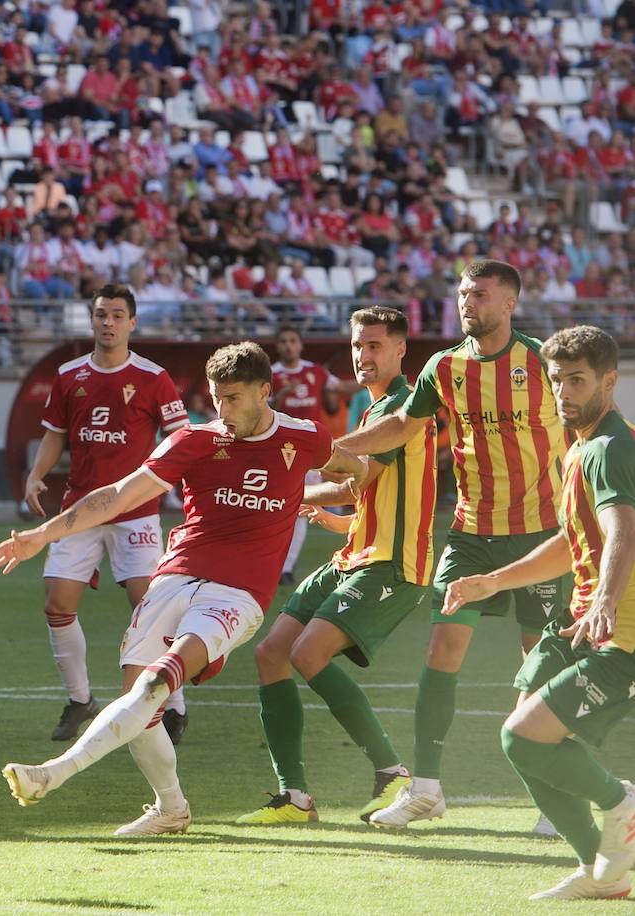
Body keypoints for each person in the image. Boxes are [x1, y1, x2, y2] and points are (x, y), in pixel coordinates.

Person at [0, 342, 332, 835]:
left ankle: (51, 773)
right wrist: (41, 535)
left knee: (156, 684)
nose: (223, 410)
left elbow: (354, 469)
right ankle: (171, 808)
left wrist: (345, 509)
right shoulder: (194, 441)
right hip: (174, 577)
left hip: (236, 595)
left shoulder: (304, 437)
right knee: (139, 698)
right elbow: (116, 496)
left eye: (234, 398)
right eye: (216, 398)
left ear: (265, 391)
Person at [321, 260, 569, 828]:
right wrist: (329, 445)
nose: (467, 302)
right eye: (462, 293)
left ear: (509, 303)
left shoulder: (542, 363)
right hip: (470, 532)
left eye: (480, 294)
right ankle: (426, 789)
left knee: (538, 667)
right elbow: (402, 427)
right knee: (441, 652)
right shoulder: (444, 367)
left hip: (540, 535)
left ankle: (551, 795)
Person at [445, 326, 635, 901]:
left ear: (609, 380)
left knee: (524, 740)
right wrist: (492, 581)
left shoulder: (607, 448)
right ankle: (598, 871)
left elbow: (622, 530)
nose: (564, 393)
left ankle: (621, 805)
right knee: (521, 732)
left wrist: (605, 600)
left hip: (616, 636)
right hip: (577, 621)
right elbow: (572, 539)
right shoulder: (582, 445)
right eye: (557, 381)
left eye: (577, 381)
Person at [238, 307, 436, 825]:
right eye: (356, 346)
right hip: (354, 554)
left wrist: (293, 462)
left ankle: (391, 771)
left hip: (392, 564)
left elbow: (360, 478)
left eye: (374, 346)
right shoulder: (370, 414)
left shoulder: (403, 408)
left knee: (306, 653)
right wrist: (305, 501)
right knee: (270, 653)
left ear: (399, 351)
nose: (363, 356)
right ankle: (295, 798)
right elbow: (358, 487)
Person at [22, 284, 188, 741]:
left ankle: (174, 704)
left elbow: (181, 439)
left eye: (117, 315)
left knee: (147, 605)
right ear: (91, 320)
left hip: (136, 510)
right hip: (79, 509)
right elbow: (55, 433)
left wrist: (188, 493)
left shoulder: (154, 377)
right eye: (101, 315)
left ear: (132, 323)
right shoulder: (69, 374)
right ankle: (80, 699)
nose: (108, 322)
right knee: (57, 603)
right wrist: (37, 474)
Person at [272, 325, 356, 585]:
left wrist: (371, 382)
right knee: (275, 507)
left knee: (302, 507)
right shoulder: (270, 374)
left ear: (300, 345)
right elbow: (263, 408)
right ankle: (272, 562)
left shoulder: (315, 371)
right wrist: (283, 394)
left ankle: (286, 568)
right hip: (278, 450)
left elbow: (340, 386)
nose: (288, 345)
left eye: (292, 340)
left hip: (310, 451)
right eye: (283, 340)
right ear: (278, 346)